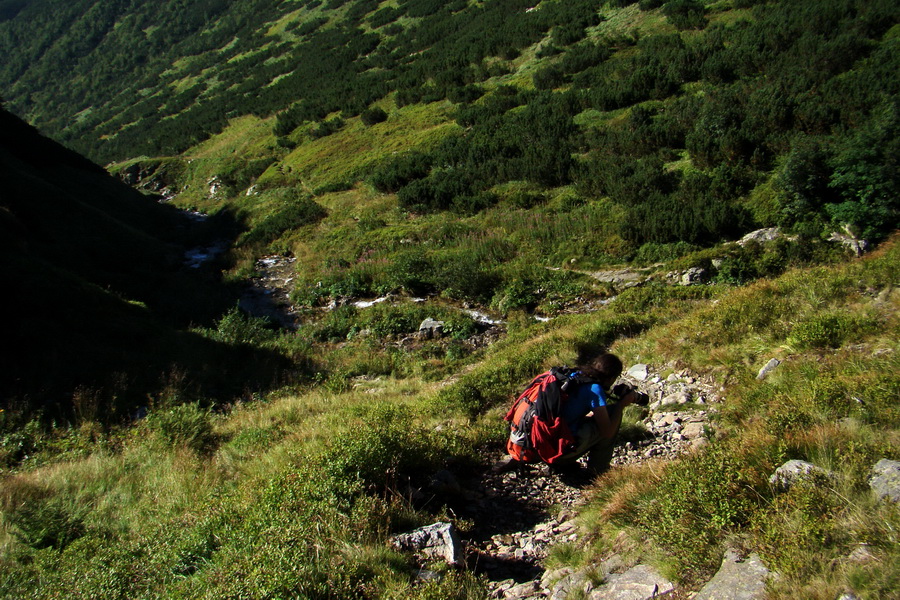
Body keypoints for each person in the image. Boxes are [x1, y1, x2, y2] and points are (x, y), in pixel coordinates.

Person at [551, 352, 638, 475]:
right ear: (612, 378)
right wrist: (620, 406)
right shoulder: (594, 389)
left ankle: (561, 462)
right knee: (611, 415)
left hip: (541, 444)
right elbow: (607, 432)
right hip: (559, 451)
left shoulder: (575, 375)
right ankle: (598, 471)